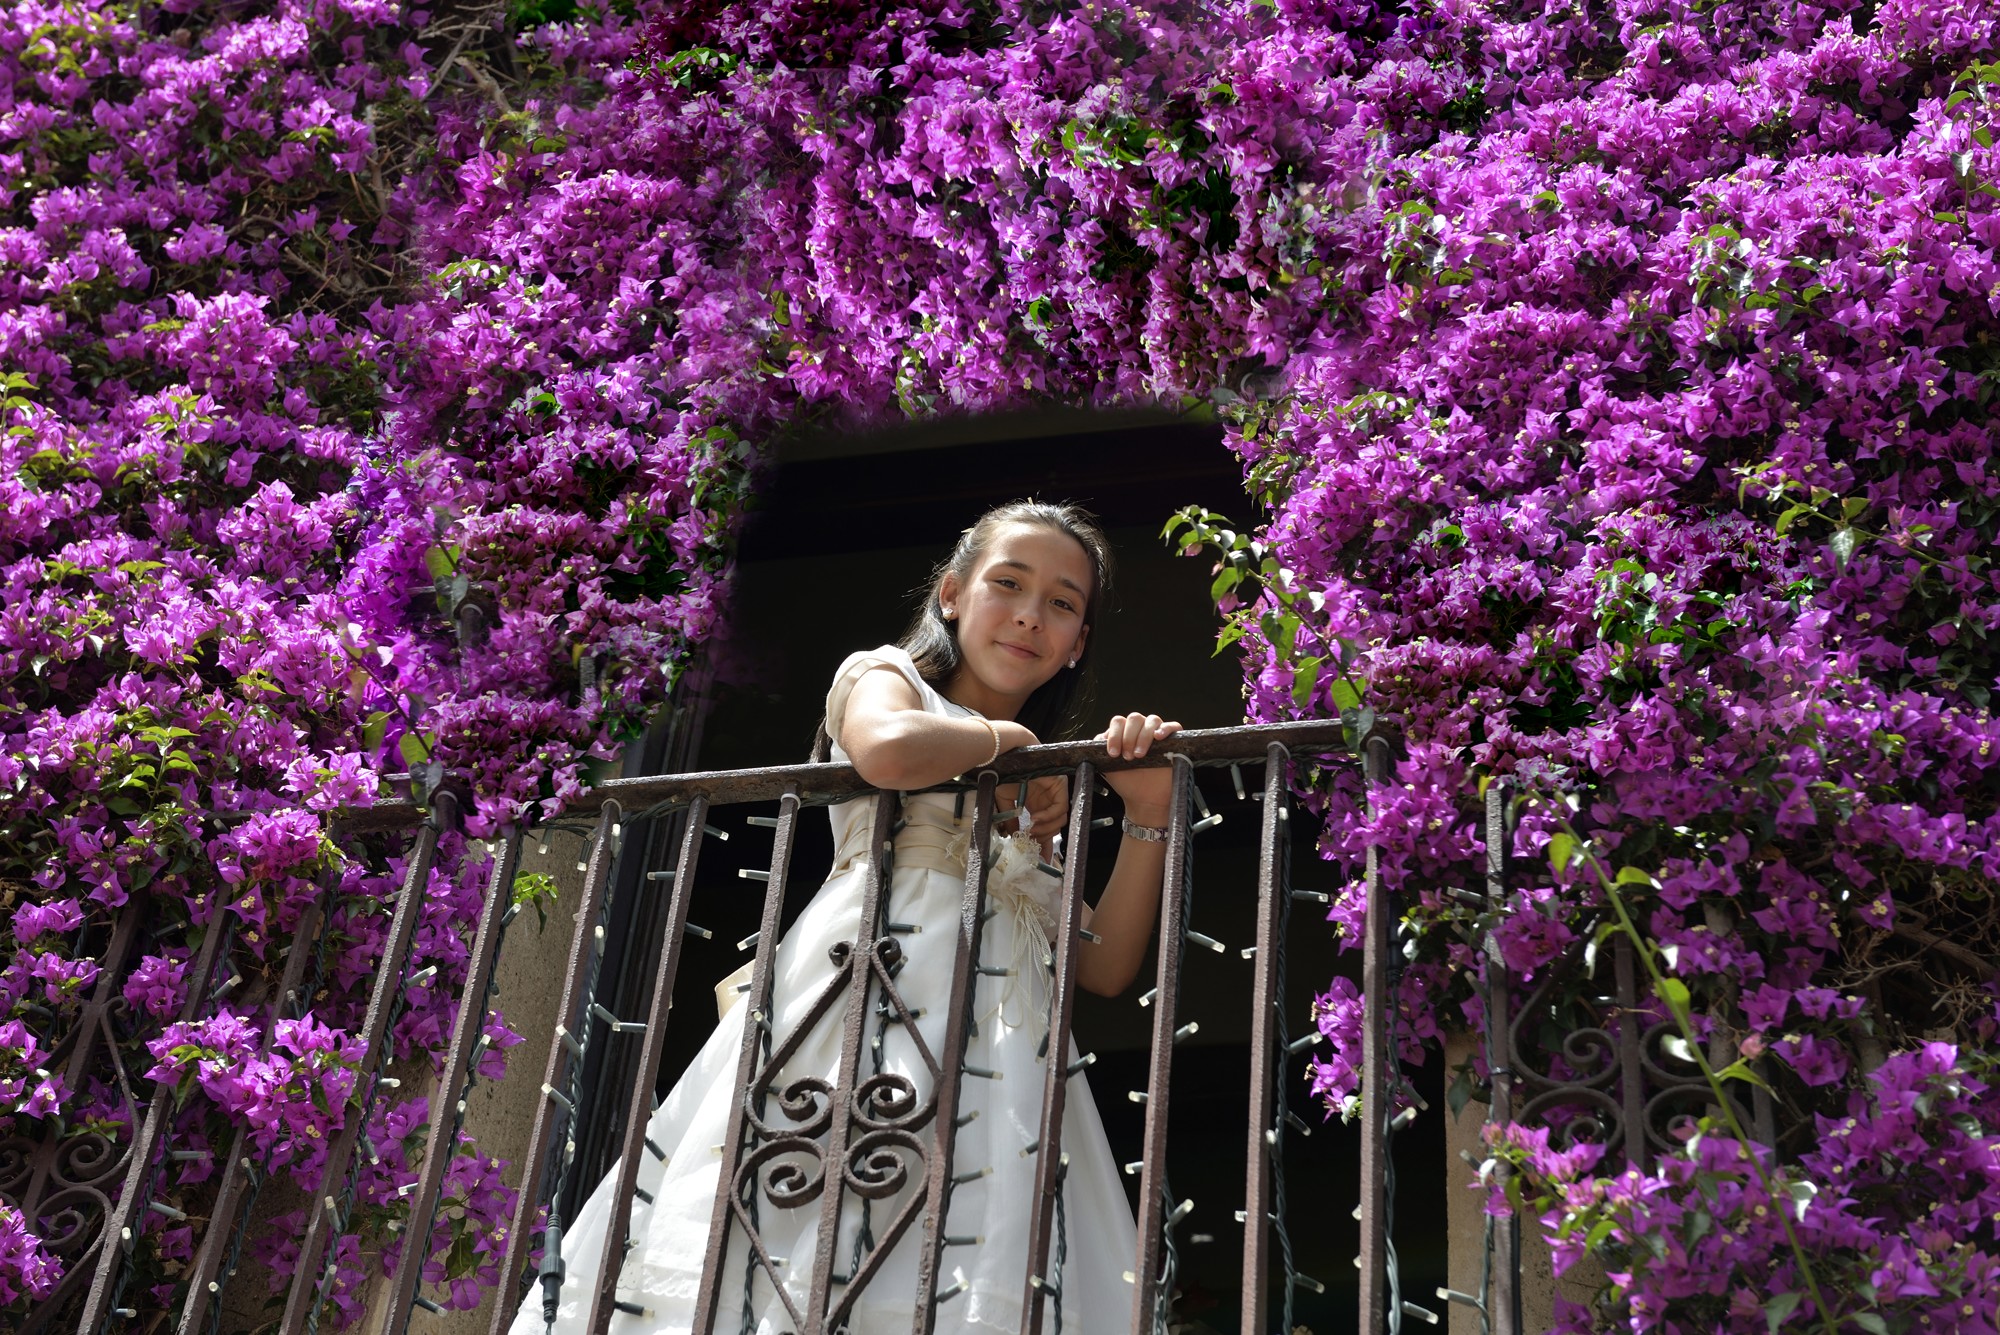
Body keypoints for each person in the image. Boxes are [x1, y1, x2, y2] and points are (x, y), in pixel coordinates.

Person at [521, 500, 1182, 1334]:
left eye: (1061, 603)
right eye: (1008, 584)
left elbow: (1106, 962)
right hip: (859, 996)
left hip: (1000, 1063)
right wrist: (1008, 741)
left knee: (956, 1267)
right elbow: (887, 749)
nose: (1029, 615)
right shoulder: (889, 676)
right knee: (796, 1241)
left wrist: (1149, 814)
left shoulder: (1037, 790)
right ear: (952, 594)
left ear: (1078, 641)